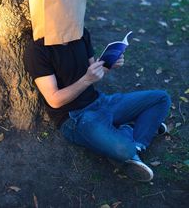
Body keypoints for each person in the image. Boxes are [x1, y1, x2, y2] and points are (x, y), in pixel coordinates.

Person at [24, 27, 171, 182]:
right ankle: (135, 130)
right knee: (125, 150)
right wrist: (87, 79)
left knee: (161, 98)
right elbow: (54, 100)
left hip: (101, 101)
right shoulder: (37, 50)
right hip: (76, 118)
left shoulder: (80, 33)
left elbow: (93, 72)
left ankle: (137, 145)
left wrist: (108, 65)